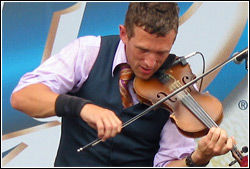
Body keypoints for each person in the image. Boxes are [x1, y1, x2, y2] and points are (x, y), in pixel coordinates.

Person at [11, 2, 235, 167]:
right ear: (124, 33)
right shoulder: (88, 52)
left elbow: (168, 164)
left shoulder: (182, 90)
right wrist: (82, 107)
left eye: (161, 53)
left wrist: (196, 159)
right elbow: (22, 96)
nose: (150, 62)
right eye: (142, 49)